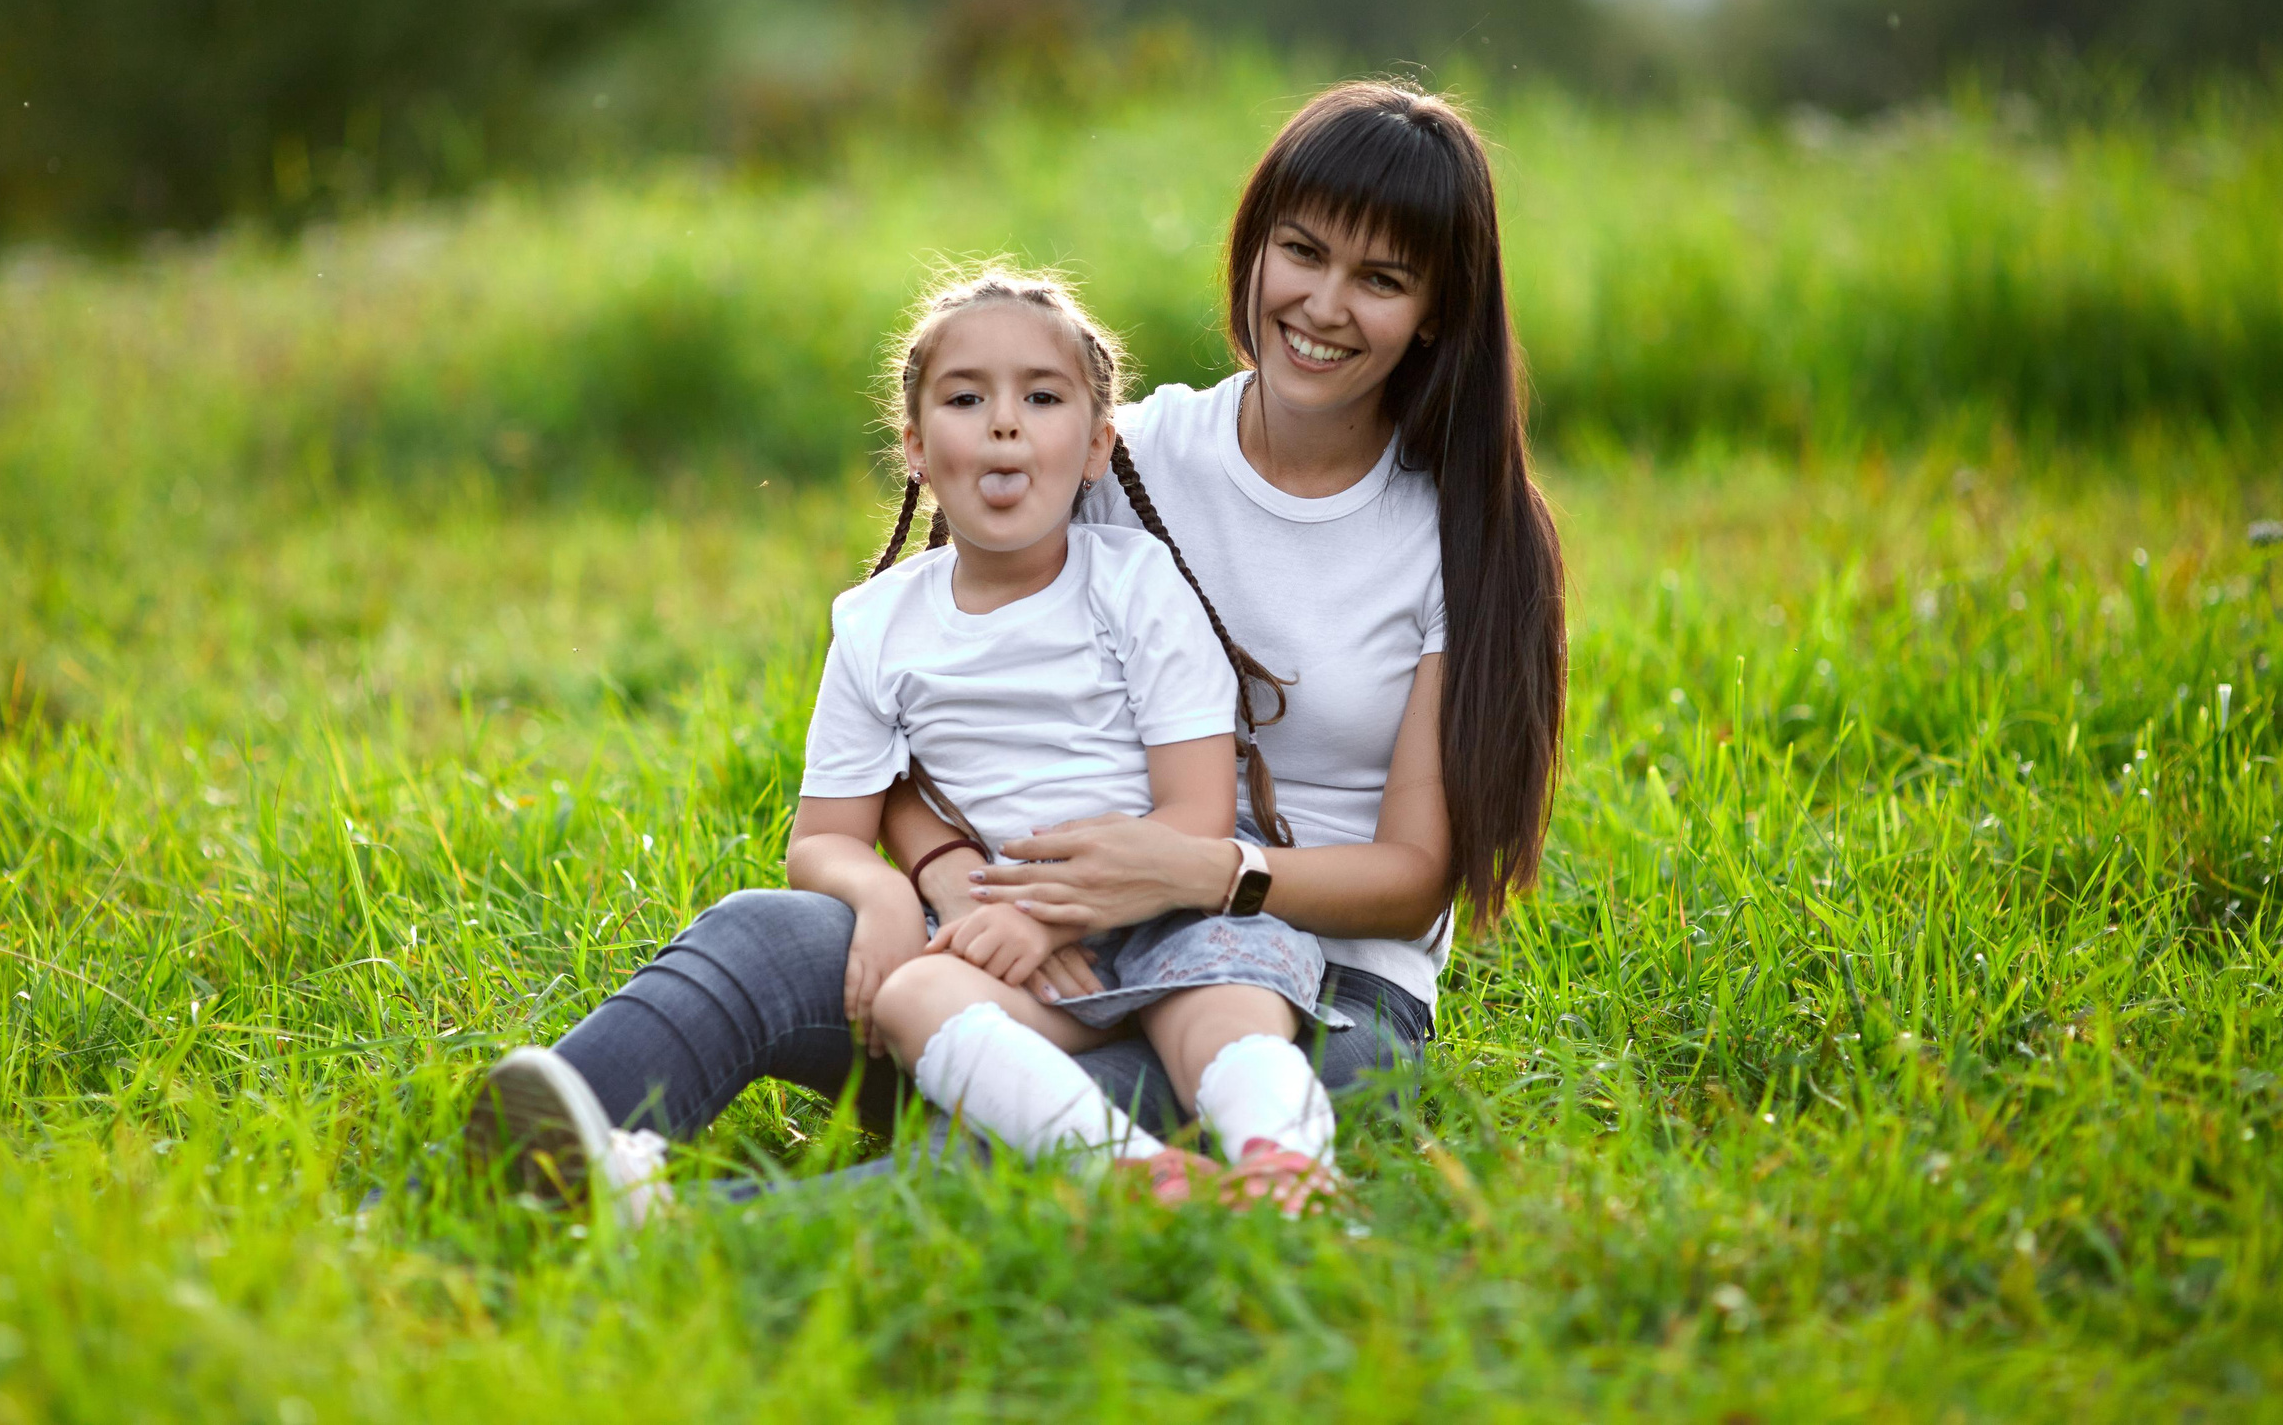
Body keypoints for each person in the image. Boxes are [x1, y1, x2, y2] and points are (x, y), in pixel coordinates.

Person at [460, 79, 1568, 1225]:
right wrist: (946, 888)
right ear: (1254, 247)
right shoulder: (1110, 453)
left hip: (1317, 997)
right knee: (764, 937)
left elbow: (1415, 880)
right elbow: (917, 710)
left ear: (1436, 310)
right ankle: (506, 1176)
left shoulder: (1463, 532)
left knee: (1048, 1128)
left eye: (1380, 280)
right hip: (1045, 934)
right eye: (1302, 252)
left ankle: (678, 1233)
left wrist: (1196, 872)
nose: (1323, 304)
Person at [789, 269, 1342, 1210]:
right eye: (968, 398)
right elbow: (823, 835)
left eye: (1041, 398)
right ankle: (1134, 1176)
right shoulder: (875, 623)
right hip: (1020, 956)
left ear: (1095, 446)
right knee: (911, 998)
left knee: (1221, 1011)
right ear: (917, 447)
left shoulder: (1136, 583)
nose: (1005, 423)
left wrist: (1043, 912)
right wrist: (878, 889)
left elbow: (1200, 810)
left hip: (1176, 914)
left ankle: (1290, 1175)